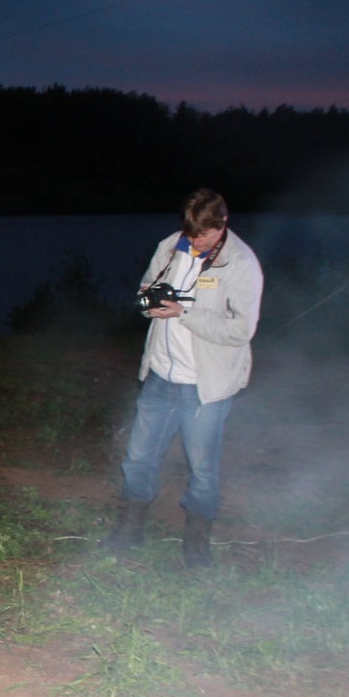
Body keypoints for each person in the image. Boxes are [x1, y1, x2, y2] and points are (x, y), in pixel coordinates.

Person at [101, 189, 263, 568]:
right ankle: (130, 531)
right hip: (161, 375)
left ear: (222, 225)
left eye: (203, 235)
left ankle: (196, 548)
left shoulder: (240, 263)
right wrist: (150, 304)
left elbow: (241, 330)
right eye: (190, 233)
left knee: (202, 469)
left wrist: (183, 313)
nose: (194, 241)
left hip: (204, 385)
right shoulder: (171, 246)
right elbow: (146, 287)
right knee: (138, 458)